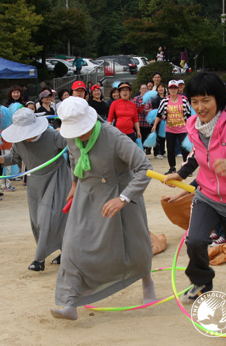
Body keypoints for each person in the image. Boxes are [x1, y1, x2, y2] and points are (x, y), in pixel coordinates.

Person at [163, 72, 226, 332]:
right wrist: (181, 173)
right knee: (194, 241)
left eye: (205, 100)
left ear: (218, 99)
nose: (200, 107)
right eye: (194, 101)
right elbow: (195, 154)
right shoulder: (193, 123)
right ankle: (203, 281)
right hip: (206, 196)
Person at [51, 97, 156, 320]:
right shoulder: (71, 137)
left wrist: (124, 198)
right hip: (86, 194)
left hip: (120, 193)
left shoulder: (114, 137)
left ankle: (147, 281)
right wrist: (74, 184)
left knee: (135, 244)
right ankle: (70, 302)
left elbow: (144, 168)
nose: (78, 134)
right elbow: (74, 158)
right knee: (71, 245)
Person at [0, 108, 71, 271]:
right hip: (34, 183)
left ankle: (39, 260)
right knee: (37, 221)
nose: (25, 135)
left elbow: (73, 149)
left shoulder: (53, 136)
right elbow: (14, 158)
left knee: (48, 218)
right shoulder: (19, 141)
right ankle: (66, 252)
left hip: (57, 178)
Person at [152, 80, 191, 174]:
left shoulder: (184, 100)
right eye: (171, 88)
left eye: (175, 88)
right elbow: (159, 114)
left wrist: (191, 127)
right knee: (170, 149)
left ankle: (186, 168)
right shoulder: (165, 101)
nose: (173, 90)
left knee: (185, 149)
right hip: (170, 129)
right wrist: (154, 125)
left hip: (182, 128)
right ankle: (172, 168)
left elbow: (189, 115)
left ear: (178, 88)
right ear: (168, 89)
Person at [132, 83, 153, 154]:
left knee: (146, 138)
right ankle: (140, 153)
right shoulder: (136, 98)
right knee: (139, 138)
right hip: (139, 122)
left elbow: (151, 108)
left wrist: (149, 110)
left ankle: (144, 153)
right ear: (140, 90)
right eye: (143, 88)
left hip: (147, 122)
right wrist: (146, 110)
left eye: (145, 88)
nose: (144, 90)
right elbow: (136, 109)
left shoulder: (149, 98)